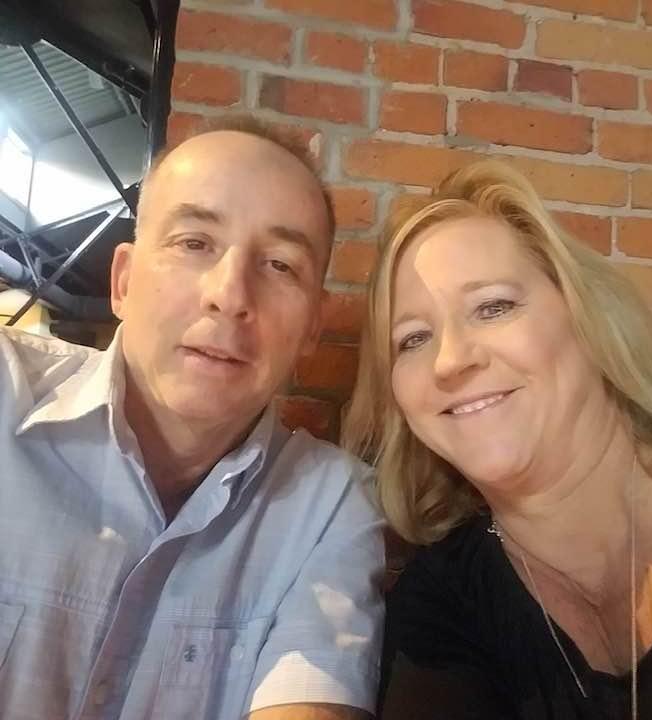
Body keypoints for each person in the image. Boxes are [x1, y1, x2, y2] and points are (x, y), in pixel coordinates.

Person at [0, 117, 384, 720]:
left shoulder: (330, 506)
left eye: (280, 264)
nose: (230, 295)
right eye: (194, 243)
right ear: (123, 282)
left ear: (313, 326)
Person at [343, 159, 652, 719]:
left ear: (587, 316)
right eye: (413, 339)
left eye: (492, 307)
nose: (449, 360)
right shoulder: (442, 604)